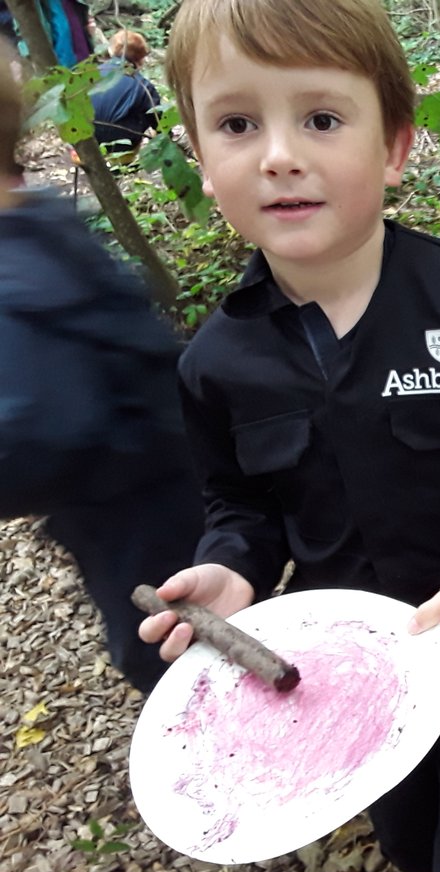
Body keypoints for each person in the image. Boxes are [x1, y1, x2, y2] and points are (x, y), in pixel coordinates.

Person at [136, 1, 440, 872]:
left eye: (320, 119)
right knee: (421, 846)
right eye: (238, 124)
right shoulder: (216, 364)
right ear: (200, 161)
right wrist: (230, 570)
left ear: (393, 146)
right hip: (357, 678)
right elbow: (241, 507)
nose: (280, 155)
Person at [0, 45, 204, 694]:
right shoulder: (41, 220)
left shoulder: (17, 268)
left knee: (170, 650)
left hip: (139, 502)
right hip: (149, 479)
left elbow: (42, 433)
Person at [90, 29, 161, 153]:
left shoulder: (90, 74)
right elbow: (159, 121)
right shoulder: (142, 85)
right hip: (121, 144)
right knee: (147, 108)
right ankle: (126, 161)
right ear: (140, 59)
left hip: (86, 139)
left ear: (112, 51)